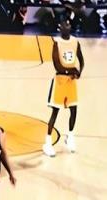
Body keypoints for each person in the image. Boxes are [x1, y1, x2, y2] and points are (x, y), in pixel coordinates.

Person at [43, 19, 84, 157]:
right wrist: (72, 70)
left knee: (74, 110)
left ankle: (70, 137)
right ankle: (47, 143)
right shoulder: (57, 43)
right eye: (64, 24)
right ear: (60, 28)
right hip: (60, 81)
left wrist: (79, 72)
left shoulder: (75, 41)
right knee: (55, 112)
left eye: (68, 24)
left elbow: (81, 59)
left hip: (71, 82)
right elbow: (57, 66)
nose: (67, 26)